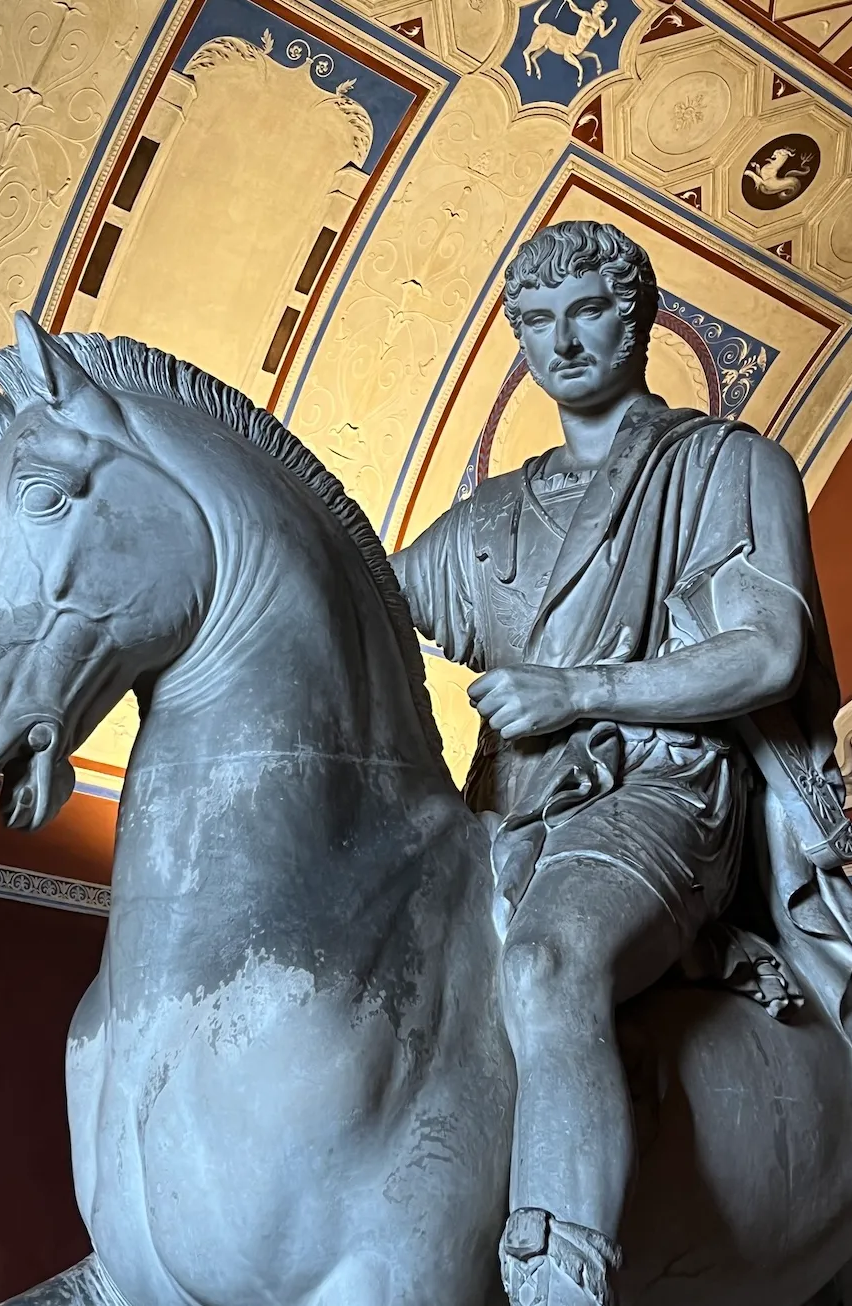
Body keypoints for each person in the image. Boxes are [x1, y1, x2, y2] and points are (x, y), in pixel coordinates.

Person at [390, 220, 852, 1305]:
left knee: (549, 963)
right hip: (505, 803)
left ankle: (559, 1285)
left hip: (662, 785)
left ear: (638, 318)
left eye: (587, 311)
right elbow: (352, 585)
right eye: (535, 322)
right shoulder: (487, 518)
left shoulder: (724, 466)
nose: (561, 341)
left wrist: (578, 688)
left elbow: (768, 647)